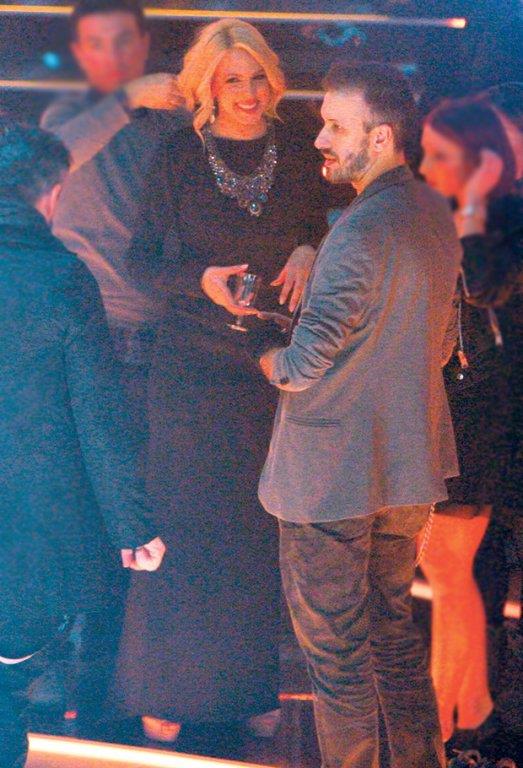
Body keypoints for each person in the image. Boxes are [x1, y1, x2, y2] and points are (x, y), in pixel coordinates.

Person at [210, 61, 461, 767]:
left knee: (338, 658)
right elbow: (441, 345)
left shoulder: (359, 229)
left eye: (333, 126)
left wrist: (259, 341)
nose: (319, 139)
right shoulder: (434, 213)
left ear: (379, 138)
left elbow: (300, 368)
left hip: (330, 478)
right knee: (392, 639)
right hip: (406, 468)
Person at [111, 18, 328, 743]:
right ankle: (163, 690)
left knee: (253, 533)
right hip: (189, 368)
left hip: (267, 368)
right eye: (232, 78)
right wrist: (199, 279)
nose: (248, 91)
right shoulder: (179, 153)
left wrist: (310, 247)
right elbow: (140, 262)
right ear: (207, 84)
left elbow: (327, 227)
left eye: (257, 76)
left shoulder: (301, 147)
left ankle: (247, 689)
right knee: (185, 526)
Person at [0, 122, 165, 768]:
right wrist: (132, 525)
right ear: (53, 193)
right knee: (7, 691)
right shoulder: (62, 277)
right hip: (29, 533)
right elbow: (99, 413)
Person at [419, 96, 522, 751]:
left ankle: (442, 722)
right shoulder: (457, 214)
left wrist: (476, 200)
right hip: (465, 405)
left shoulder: (498, 217)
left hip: (481, 409)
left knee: (447, 565)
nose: (425, 166)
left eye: (439, 155)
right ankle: (468, 710)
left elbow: (483, 287)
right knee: (450, 567)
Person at [40, 0, 187, 418]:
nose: (113, 54)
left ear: (142, 46)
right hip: (87, 325)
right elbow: (54, 158)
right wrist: (128, 97)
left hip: (167, 324)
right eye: (97, 43)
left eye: (124, 41)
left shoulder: (173, 121)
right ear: (81, 53)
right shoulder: (68, 112)